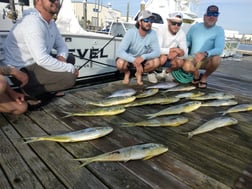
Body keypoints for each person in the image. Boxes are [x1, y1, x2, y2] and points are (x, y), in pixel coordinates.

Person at [3, 0, 79, 100]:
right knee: (69, 79)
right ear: (38, 1)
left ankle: (43, 89)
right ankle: (30, 92)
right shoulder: (32, 22)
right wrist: (70, 68)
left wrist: (61, 58)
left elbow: (62, 46)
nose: (56, 2)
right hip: (23, 68)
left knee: (69, 58)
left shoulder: (50, 23)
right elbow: (42, 59)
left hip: (36, 62)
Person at [185, 5, 225, 89]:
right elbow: (187, 42)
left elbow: (219, 49)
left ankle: (204, 78)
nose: (211, 17)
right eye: (209, 14)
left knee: (217, 59)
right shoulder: (195, 27)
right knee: (185, 66)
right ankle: (196, 75)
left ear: (217, 17)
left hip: (207, 59)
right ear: (204, 16)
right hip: (193, 58)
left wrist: (205, 54)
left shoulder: (219, 30)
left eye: (215, 14)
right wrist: (180, 49)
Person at [116, 10, 160, 85]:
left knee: (156, 62)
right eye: (146, 20)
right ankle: (127, 73)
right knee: (120, 63)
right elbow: (120, 51)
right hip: (129, 59)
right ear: (140, 22)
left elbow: (157, 52)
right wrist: (134, 61)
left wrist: (143, 57)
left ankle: (139, 73)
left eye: (151, 21)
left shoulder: (153, 33)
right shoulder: (131, 32)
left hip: (142, 59)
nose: (149, 23)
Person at [155, 12, 188, 81]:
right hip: (160, 56)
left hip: (172, 56)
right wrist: (172, 50)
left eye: (179, 24)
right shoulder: (161, 29)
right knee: (163, 58)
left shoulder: (182, 33)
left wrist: (176, 53)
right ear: (168, 22)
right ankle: (155, 72)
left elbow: (185, 53)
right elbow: (156, 49)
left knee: (180, 62)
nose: (176, 26)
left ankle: (167, 72)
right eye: (173, 23)